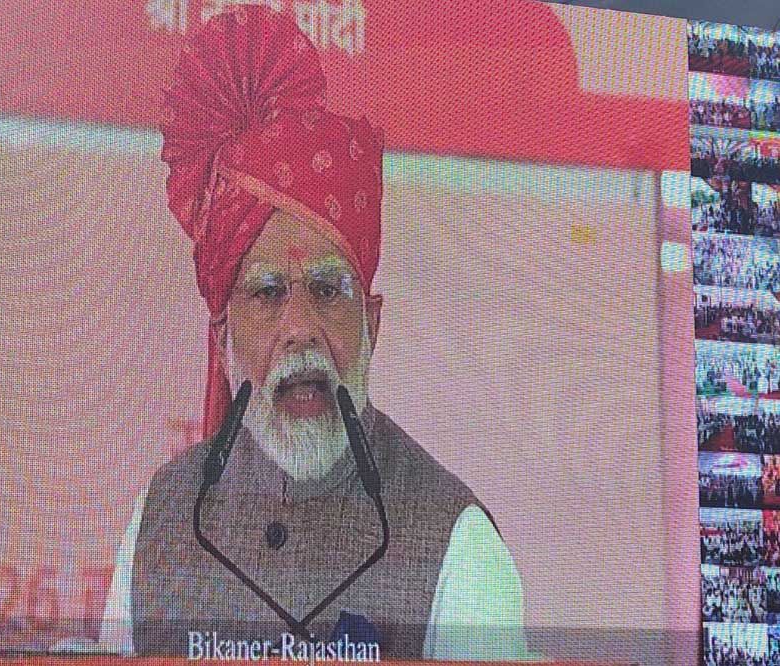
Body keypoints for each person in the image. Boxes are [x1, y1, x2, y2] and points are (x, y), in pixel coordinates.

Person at [96, 6, 532, 661]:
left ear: (371, 324)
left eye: (327, 290)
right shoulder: (159, 520)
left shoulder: (455, 543)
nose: (299, 328)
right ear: (223, 341)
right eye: (267, 292)